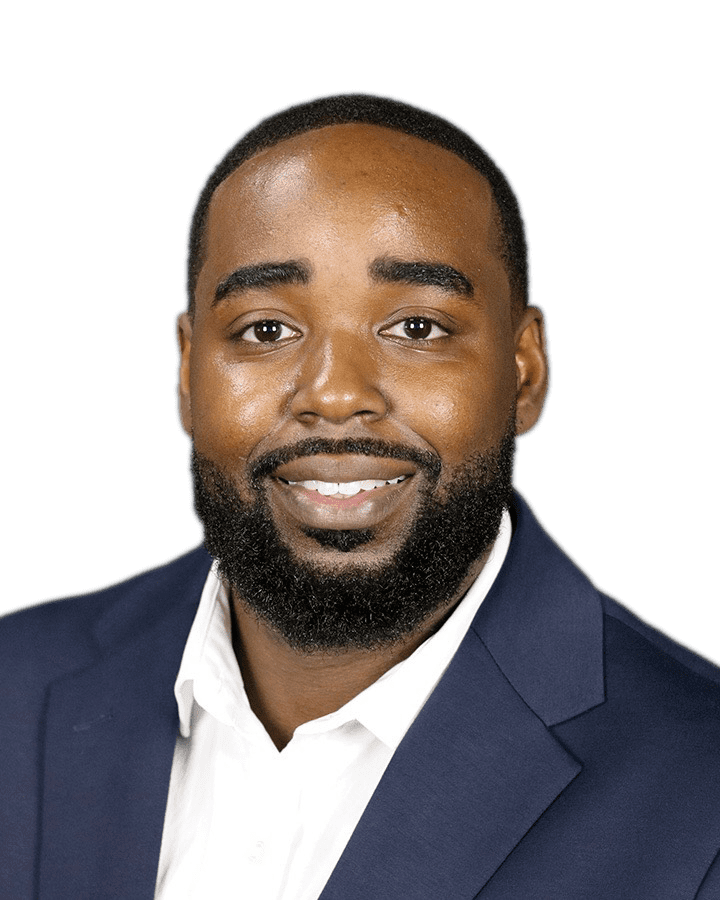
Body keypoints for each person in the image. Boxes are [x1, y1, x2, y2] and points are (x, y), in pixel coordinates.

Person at [2, 92, 720, 900]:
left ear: (524, 371)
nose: (337, 394)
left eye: (417, 328)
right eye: (266, 330)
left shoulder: (701, 798)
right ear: (188, 370)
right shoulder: (13, 688)